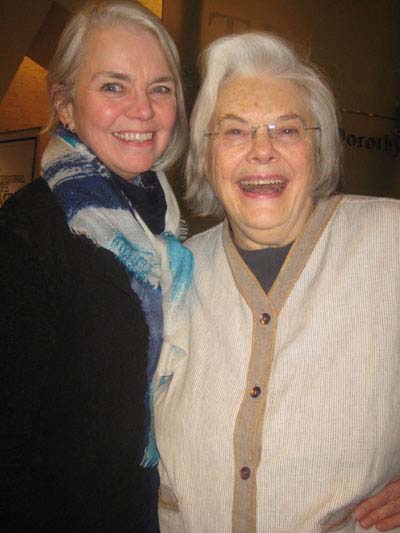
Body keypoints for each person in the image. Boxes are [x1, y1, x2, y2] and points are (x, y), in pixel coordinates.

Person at [154, 32, 400, 532]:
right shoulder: (170, 270)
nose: (261, 151)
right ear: (205, 157)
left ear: (320, 147)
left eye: (286, 130)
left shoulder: (390, 240)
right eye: (235, 132)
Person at [0, 1, 192, 532]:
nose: (143, 110)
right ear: (65, 105)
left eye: (160, 87)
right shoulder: (31, 232)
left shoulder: (168, 230)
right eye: (113, 86)